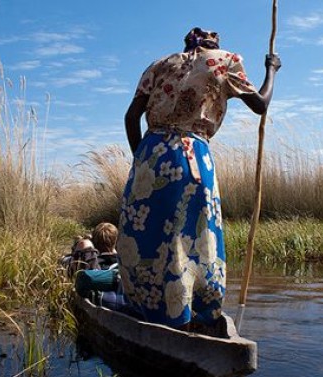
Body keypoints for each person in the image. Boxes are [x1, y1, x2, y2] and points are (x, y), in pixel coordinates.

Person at [117, 27, 281, 329]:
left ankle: (145, 309)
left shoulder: (158, 65)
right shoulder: (226, 61)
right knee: (193, 236)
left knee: (147, 234)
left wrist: (142, 158)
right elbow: (260, 104)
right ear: (213, 43)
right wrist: (271, 70)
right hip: (192, 155)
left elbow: (131, 117)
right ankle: (194, 313)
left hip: (150, 154)